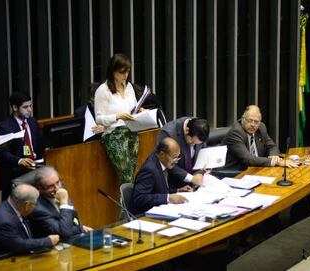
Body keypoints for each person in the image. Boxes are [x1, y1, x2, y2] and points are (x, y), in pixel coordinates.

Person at [94, 53, 141, 184]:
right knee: (126, 177)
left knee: (131, 176)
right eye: (122, 72)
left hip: (132, 132)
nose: (125, 75)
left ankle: (127, 204)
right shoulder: (103, 90)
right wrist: (117, 116)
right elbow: (99, 118)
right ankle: (127, 205)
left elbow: (132, 108)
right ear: (112, 71)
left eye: (128, 72)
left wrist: (139, 110)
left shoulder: (129, 86)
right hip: (115, 135)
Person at [0, 92, 44, 200]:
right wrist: (20, 160)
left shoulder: (32, 122)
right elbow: (2, 153)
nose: (30, 110)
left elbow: (41, 143)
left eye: (30, 106)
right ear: (15, 107)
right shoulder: (4, 127)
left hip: (36, 165)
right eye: (25, 107)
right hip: (16, 171)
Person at [222, 105, 297, 171]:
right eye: (250, 120)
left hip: (257, 169)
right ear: (243, 119)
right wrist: (276, 162)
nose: (253, 125)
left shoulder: (261, 127)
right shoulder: (236, 132)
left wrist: (274, 156)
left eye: (256, 122)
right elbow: (248, 159)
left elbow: (271, 146)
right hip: (236, 173)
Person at [0, 183, 59, 257]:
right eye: (35, 204)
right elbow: (19, 245)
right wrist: (48, 241)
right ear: (27, 206)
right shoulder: (4, 221)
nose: (36, 207)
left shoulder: (15, 205)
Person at [28, 166, 92, 239]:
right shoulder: (37, 209)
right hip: (54, 247)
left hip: (72, 238)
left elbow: (71, 216)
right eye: (50, 186)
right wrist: (80, 228)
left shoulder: (61, 188)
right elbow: (64, 233)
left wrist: (81, 227)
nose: (57, 188)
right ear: (39, 188)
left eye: (58, 182)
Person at [131, 137, 192, 215]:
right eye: (174, 157)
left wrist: (177, 190)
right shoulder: (149, 170)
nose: (176, 161)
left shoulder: (161, 163)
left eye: (178, 157)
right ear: (162, 154)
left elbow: (158, 190)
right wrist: (168, 198)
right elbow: (139, 198)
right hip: (146, 217)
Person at [157, 117, 210, 188]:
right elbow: (165, 162)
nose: (193, 145)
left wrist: (200, 172)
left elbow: (202, 150)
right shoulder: (168, 133)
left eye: (197, 143)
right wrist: (191, 178)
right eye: (191, 142)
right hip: (173, 185)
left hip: (194, 185)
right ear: (187, 130)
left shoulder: (200, 128)